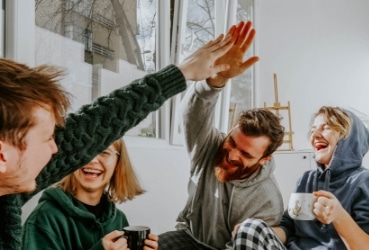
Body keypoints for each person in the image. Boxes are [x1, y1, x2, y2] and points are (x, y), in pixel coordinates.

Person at [0, 21, 244, 249]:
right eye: (47, 138)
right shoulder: (42, 216)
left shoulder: (8, 192)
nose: (56, 148)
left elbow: (92, 127)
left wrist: (180, 73)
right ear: (3, 156)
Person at [158, 21, 285, 249]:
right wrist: (217, 79)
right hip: (190, 238)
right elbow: (192, 114)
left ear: (264, 159)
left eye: (246, 153)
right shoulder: (210, 147)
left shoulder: (267, 199)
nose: (232, 155)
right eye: (232, 141)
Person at [232, 106, 369, 250]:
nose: (315, 135)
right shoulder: (306, 180)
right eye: (313, 130)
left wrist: (339, 216)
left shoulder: (367, 181)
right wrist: (255, 232)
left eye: (326, 127)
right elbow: (288, 228)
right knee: (250, 228)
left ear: (348, 137)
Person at [22, 138, 158, 250]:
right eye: (85, 150)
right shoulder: (44, 218)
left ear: (118, 163)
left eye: (104, 152)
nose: (92, 160)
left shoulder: (119, 219)